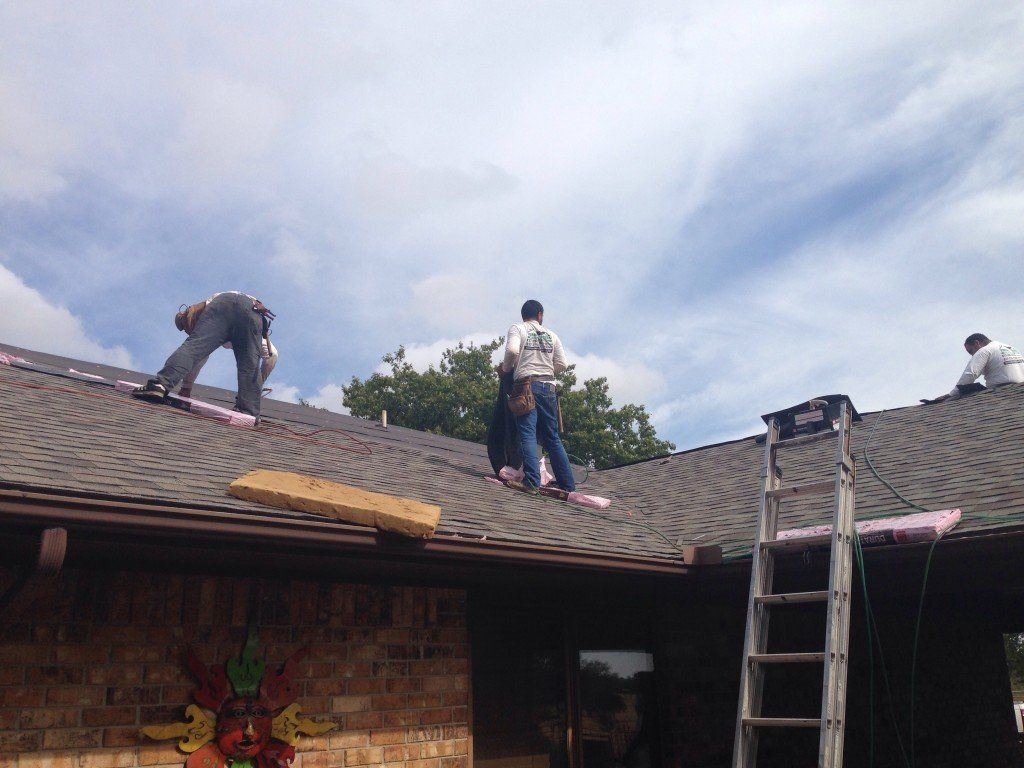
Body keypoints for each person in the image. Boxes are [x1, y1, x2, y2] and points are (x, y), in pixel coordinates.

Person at [132, 292, 275, 418]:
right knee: (250, 364)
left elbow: (198, 356)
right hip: (252, 312)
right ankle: (248, 410)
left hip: (225, 304)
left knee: (194, 346)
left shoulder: (205, 312)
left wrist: (186, 389)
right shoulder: (250, 329)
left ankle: (160, 385)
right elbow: (272, 356)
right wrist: (252, 395)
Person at [500, 299, 575, 494]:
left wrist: (507, 369)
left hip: (526, 386)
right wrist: (546, 370)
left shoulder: (518, 328)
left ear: (523, 315)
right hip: (548, 387)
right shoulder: (552, 335)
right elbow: (562, 364)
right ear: (540, 315)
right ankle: (567, 485)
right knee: (552, 437)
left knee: (527, 433)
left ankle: (532, 482)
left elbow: (512, 350)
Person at [921, 333, 1024, 404]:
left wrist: (950, 395)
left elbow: (970, 374)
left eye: (971, 351)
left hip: (1000, 392)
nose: (972, 355)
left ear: (977, 343)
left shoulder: (985, 350)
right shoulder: (1011, 348)